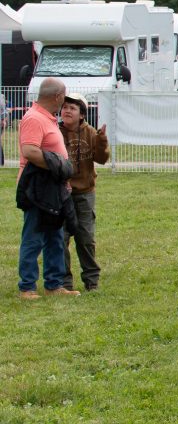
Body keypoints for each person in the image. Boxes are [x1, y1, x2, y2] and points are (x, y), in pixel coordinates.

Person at [16, 77, 79, 299]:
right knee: (33, 237)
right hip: (37, 188)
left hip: (52, 187)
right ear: (58, 96)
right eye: (64, 96)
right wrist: (59, 166)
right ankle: (27, 287)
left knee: (54, 236)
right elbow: (30, 151)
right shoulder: (33, 118)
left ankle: (54, 285)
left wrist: (62, 177)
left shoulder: (47, 118)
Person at [59, 92, 109, 292]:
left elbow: (102, 159)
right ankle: (64, 282)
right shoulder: (55, 132)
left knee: (85, 238)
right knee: (60, 238)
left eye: (72, 108)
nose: (67, 111)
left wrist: (102, 141)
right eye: (65, 107)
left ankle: (91, 281)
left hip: (84, 193)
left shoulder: (90, 132)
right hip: (61, 194)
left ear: (81, 114)